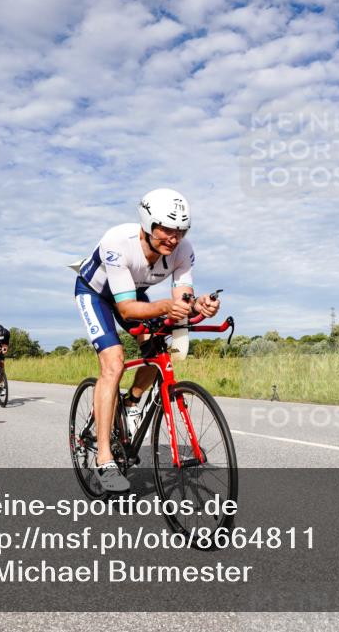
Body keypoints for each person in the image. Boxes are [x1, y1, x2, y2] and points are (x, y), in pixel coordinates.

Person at [74, 188, 219, 492]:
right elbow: (126, 309)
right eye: (166, 229)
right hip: (96, 294)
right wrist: (167, 306)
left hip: (132, 291)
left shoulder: (184, 251)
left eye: (180, 230)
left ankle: (131, 401)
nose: (174, 238)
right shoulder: (118, 242)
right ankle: (104, 459)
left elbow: (182, 299)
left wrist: (198, 305)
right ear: (147, 223)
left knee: (161, 345)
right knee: (113, 364)